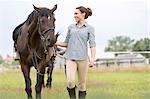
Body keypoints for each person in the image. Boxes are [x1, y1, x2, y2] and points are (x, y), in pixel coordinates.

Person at [55, 6, 96, 99]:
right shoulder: (71, 27)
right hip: (70, 58)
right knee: (70, 82)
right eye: (74, 13)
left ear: (83, 14)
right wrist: (55, 42)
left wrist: (92, 59)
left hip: (83, 59)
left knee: (82, 85)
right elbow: (66, 43)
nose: (74, 15)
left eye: (76, 13)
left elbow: (92, 45)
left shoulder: (90, 28)